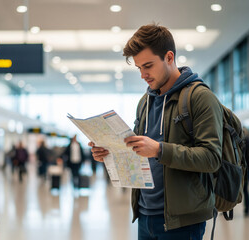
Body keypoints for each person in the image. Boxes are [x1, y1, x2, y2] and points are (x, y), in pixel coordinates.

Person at [89, 24, 223, 240]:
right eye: (139, 68)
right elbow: (137, 151)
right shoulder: (145, 102)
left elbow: (212, 158)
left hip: (182, 222)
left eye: (148, 66)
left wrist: (160, 150)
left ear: (169, 57)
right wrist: (109, 151)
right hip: (144, 215)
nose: (143, 74)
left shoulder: (200, 98)